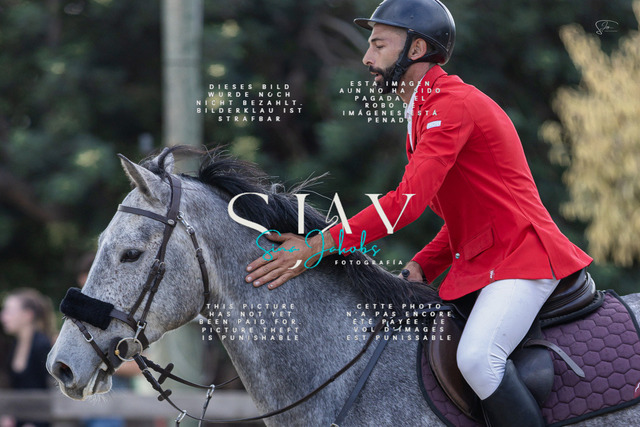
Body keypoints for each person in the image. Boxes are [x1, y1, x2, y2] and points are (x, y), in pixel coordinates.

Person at [243, 0, 592, 425]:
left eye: (379, 45)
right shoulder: (424, 109)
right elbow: (471, 215)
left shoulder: (451, 105)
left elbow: (405, 204)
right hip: (490, 261)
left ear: (416, 49)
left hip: (524, 257)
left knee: (478, 360)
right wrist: (425, 264)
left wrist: (316, 247)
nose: (367, 57)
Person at [1, 288, 55, 427]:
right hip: (19, 419)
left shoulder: (42, 345)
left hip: (41, 420)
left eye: (9, 311)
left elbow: (52, 390)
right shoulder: (14, 346)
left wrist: (35, 423)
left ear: (27, 315)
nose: (3, 317)